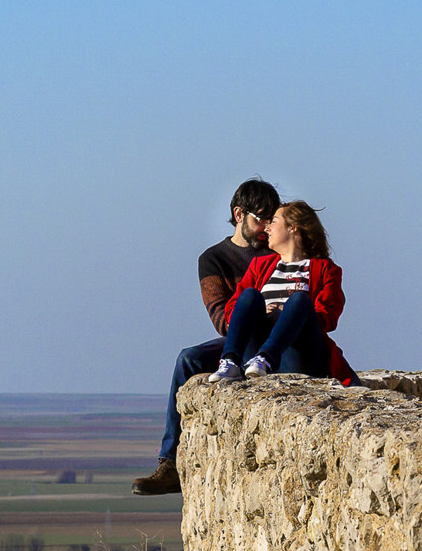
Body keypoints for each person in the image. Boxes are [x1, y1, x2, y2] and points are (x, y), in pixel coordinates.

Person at [130, 180, 279, 495]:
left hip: (277, 339)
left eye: (271, 219)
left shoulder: (280, 252)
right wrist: (256, 307)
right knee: (188, 359)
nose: (266, 227)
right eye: (260, 218)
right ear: (238, 214)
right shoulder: (214, 259)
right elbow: (222, 320)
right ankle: (169, 463)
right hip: (240, 342)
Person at [209, 200, 356, 385]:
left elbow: (328, 317)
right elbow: (232, 310)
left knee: (299, 301)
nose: (267, 228)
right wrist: (265, 314)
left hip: (297, 353)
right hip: (254, 352)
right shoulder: (259, 265)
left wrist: (286, 315)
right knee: (250, 296)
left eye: (274, 221)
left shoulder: (326, 269)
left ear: (293, 228)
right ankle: (230, 362)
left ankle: (266, 357)